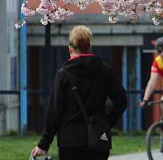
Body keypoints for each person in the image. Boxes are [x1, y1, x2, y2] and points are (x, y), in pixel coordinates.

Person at [31, 25, 127, 160]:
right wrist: (106, 122)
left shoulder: (63, 75)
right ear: (90, 47)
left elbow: (54, 112)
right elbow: (121, 100)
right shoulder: (105, 71)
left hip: (70, 141)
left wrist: (44, 144)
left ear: (70, 48)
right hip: (98, 139)